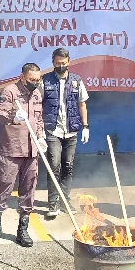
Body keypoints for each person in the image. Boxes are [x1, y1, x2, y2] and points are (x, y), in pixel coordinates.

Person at [0, 63, 46, 247]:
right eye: (32, 80)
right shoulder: (10, 91)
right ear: (22, 76)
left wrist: (41, 136)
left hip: (31, 149)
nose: (35, 83)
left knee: (28, 190)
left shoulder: (37, 93)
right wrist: (13, 117)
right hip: (11, 149)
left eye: (38, 80)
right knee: (4, 186)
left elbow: (39, 119)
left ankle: (22, 230)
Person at [39, 48, 89, 218]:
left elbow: (82, 104)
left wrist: (86, 126)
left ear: (69, 62)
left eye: (64, 63)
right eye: (58, 63)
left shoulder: (76, 81)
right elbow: (38, 105)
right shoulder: (44, 81)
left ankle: (65, 200)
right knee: (54, 166)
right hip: (52, 130)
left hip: (72, 131)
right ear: (53, 62)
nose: (61, 66)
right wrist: (40, 131)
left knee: (68, 166)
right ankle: (53, 203)